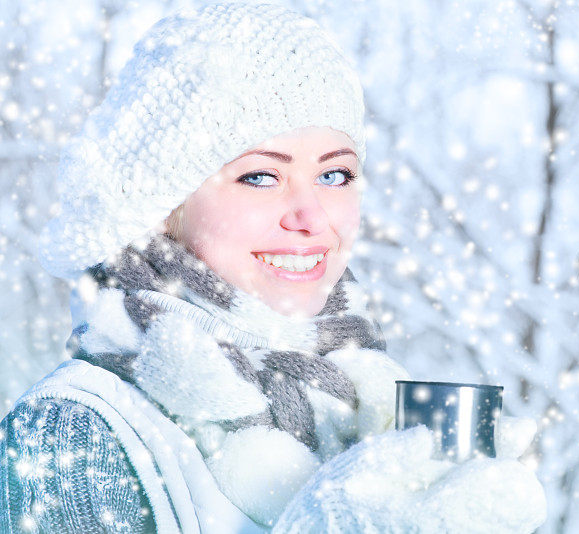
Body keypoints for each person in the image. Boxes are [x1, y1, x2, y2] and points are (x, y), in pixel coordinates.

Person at [0, 2, 547, 533]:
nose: (311, 217)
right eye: (261, 176)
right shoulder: (69, 433)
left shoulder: (370, 408)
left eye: (334, 176)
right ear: (164, 203)